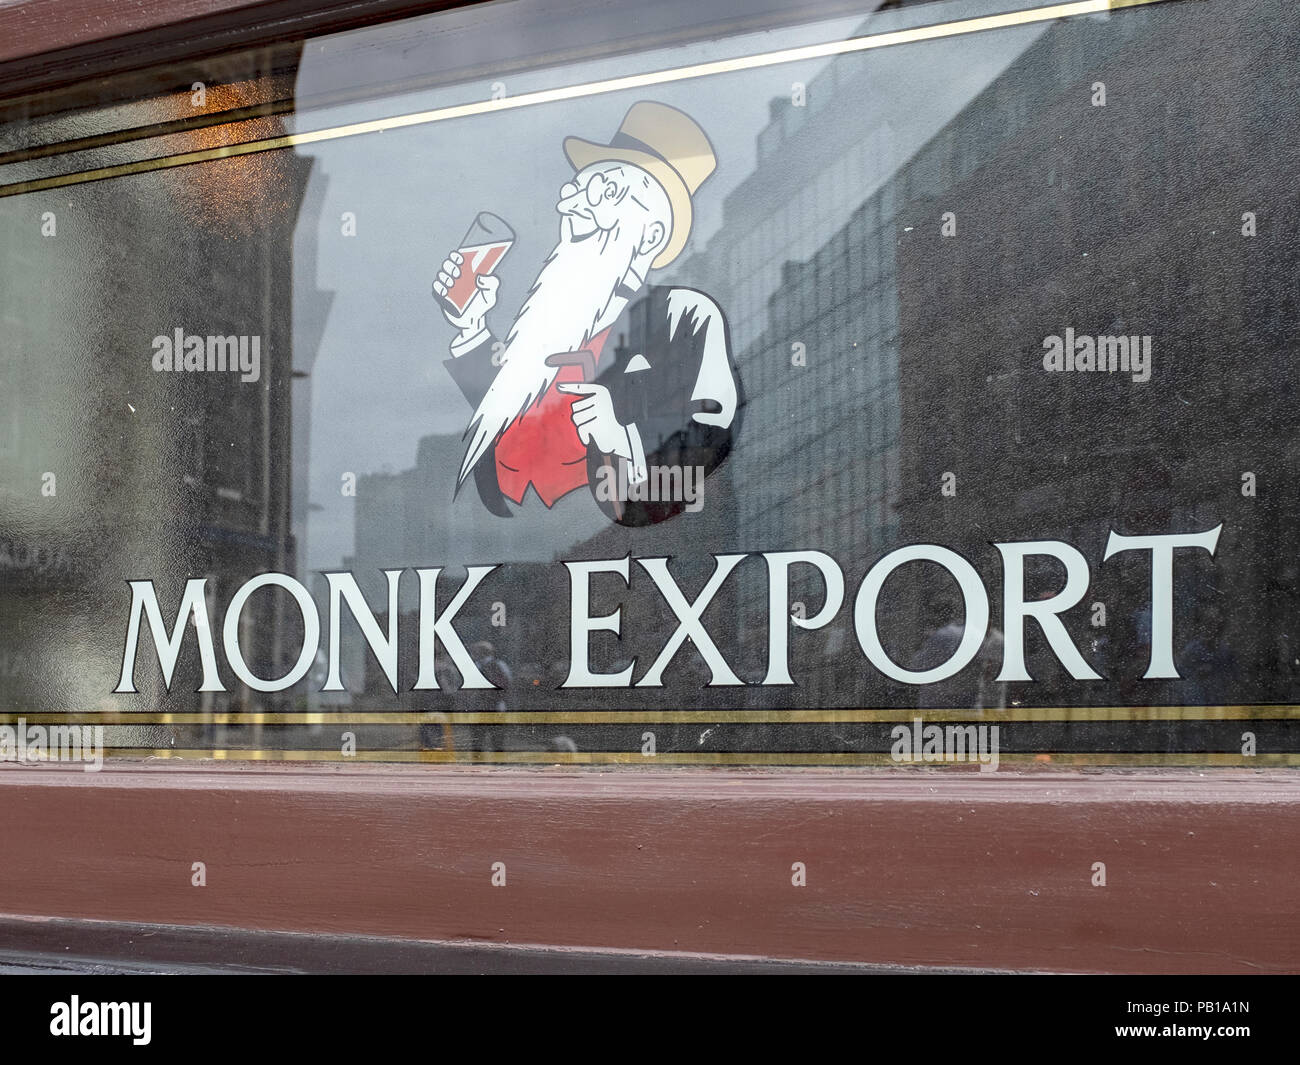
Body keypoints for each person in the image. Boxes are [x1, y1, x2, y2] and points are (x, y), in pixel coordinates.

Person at [433, 101, 742, 526]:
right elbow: (517, 432)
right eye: (577, 188)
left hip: (610, 561)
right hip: (520, 557)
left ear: (652, 234)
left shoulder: (682, 318)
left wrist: (623, 438)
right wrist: (472, 326)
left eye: (605, 192)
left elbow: (710, 438)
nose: (571, 205)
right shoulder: (550, 323)